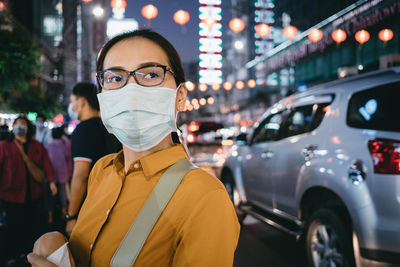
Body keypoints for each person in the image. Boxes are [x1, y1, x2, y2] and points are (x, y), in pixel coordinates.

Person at [28, 29, 240, 267]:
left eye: (150, 74)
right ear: (102, 96)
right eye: (115, 78)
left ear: (180, 96)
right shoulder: (101, 170)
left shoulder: (205, 197)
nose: (130, 90)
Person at [65, 82, 121, 235]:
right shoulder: (108, 127)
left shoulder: (84, 129)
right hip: (110, 203)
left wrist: (72, 216)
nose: (71, 106)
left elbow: (80, 176)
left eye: (72, 101)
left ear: (81, 101)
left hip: (89, 208)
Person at [0, 115, 57, 265]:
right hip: (10, 195)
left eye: (23, 124)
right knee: (12, 226)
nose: (20, 126)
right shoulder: (5, 146)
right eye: (17, 124)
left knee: (30, 225)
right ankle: (12, 255)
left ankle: (27, 255)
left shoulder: (37, 146)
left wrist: (51, 182)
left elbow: (47, 164)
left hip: (33, 194)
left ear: (28, 127)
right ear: (13, 127)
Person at [45, 127, 71, 220]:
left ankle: (50, 217)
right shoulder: (64, 145)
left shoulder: (47, 146)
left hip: (50, 175)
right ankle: (63, 215)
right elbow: (67, 156)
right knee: (62, 195)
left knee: (50, 196)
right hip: (63, 174)